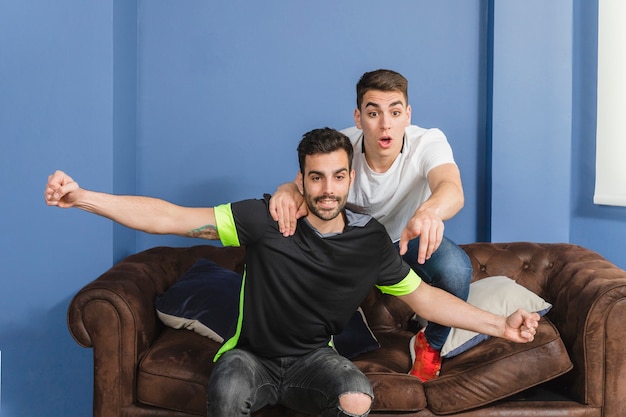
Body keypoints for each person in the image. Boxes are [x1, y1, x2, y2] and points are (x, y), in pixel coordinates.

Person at [45, 128, 538, 417]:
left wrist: (500, 325)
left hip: (312, 359)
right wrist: (85, 198)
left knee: (358, 398)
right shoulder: (266, 219)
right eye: (316, 177)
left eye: (338, 177)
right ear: (300, 179)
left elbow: (426, 299)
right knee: (228, 388)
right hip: (249, 356)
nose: (327, 190)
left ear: (351, 178)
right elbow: (172, 217)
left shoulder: (368, 244)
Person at [269, 69, 471, 381]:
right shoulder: (342, 146)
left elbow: (451, 189)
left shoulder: (428, 141)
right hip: (356, 246)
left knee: (457, 271)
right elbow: (306, 186)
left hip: (407, 237)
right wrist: (286, 189)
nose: (385, 123)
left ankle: (430, 343)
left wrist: (429, 211)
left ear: (408, 115)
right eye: (373, 112)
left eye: (395, 111)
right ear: (359, 117)